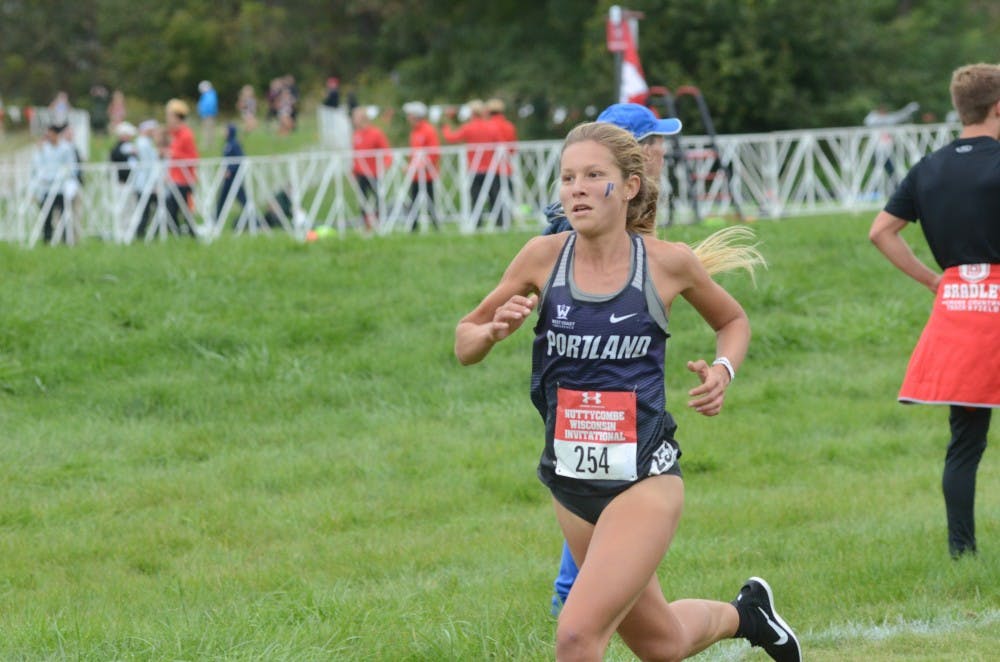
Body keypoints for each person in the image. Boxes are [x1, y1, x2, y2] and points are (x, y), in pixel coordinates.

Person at [455, 121, 799, 661]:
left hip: (645, 476)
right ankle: (747, 614)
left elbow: (732, 320)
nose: (578, 188)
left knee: (576, 635)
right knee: (661, 644)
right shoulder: (542, 257)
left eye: (595, 175)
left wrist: (722, 371)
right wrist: (492, 331)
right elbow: (464, 340)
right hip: (570, 481)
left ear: (630, 186)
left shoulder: (666, 263)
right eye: (568, 177)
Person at [868, 62, 1000, 560]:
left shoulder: (929, 168)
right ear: (998, 107)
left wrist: (932, 279)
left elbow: (881, 231)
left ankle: (961, 552)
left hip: (960, 310)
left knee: (965, 443)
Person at [544, 103, 672, 237]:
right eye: (660, 143)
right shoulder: (562, 240)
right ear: (645, 153)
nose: (663, 151)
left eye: (593, 175)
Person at [443, 99, 502, 228]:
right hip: (491, 168)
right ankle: (500, 222)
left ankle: (478, 222)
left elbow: (451, 138)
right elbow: (500, 145)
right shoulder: (491, 127)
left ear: (472, 113)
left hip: (475, 168)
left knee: (476, 197)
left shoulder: (468, 127)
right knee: (495, 196)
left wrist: (446, 126)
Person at [351, 106, 391, 232]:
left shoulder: (376, 133)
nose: (353, 120)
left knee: (378, 198)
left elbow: (386, 152)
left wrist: (385, 165)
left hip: (374, 173)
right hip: (360, 173)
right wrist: (353, 169)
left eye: (355, 118)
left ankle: (380, 223)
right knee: (363, 200)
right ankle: (366, 225)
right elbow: (355, 154)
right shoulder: (355, 134)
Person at [402, 101, 441, 231]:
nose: (408, 118)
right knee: (414, 201)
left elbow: (434, 154)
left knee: (430, 201)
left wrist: (417, 166)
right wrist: (410, 166)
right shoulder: (414, 132)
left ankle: (436, 226)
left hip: (427, 174)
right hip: (416, 175)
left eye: (410, 115)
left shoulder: (428, 130)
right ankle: (414, 227)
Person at [864, 101, 919, 189]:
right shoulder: (873, 119)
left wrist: (909, 110)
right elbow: (868, 121)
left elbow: (899, 116)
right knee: (877, 173)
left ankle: (895, 188)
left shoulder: (888, 119)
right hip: (878, 151)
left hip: (889, 152)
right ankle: (874, 190)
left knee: (892, 172)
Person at [164, 98, 199, 237]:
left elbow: (193, 158)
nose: (168, 119)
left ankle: (185, 232)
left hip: (184, 179)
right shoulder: (174, 134)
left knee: (180, 208)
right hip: (175, 178)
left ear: (177, 117)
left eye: (169, 116)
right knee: (175, 208)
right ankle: (180, 232)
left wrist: (174, 154)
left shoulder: (186, 135)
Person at [486, 97, 517, 229]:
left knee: (493, 195)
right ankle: (508, 219)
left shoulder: (488, 126)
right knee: (508, 193)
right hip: (507, 166)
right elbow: (512, 148)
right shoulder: (509, 126)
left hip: (491, 166)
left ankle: (498, 221)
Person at [132, 119, 162, 239]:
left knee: (147, 211)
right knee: (146, 212)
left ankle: (145, 234)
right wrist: (154, 184)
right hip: (145, 184)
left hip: (145, 183)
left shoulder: (144, 143)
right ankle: (142, 234)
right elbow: (148, 166)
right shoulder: (143, 144)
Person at [217, 122, 250, 226]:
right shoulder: (227, 144)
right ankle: (216, 221)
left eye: (226, 130)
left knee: (243, 201)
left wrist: (230, 170)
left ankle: (255, 220)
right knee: (221, 200)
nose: (224, 132)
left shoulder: (235, 144)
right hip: (228, 179)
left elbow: (240, 159)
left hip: (234, 178)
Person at [197, 80, 219, 148]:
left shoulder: (210, 95)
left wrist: (206, 113)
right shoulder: (208, 95)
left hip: (209, 115)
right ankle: (208, 143)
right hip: (206, 115)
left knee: (209, 129)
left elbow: (210, 105)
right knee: (207, 129)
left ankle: (209, 143)